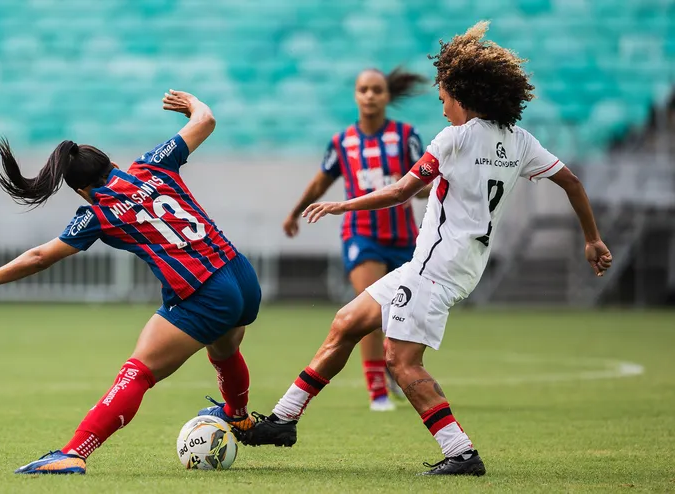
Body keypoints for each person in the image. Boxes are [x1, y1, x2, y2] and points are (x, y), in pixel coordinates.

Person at [239, 22, 613, 477]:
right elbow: (571, 182)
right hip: (453, 266)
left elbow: (400, 192)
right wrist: (591, 238)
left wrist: (343, 204)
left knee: (401, 361)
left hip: (435, 269)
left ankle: (461, 453)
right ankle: (284, 420)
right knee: (346, 323)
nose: (442, 111)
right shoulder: (521, 141)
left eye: (443, 101)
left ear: (461, 93)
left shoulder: (455, 139)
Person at [0, 90, 262, 474]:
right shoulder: (153, 164)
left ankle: (73, 453)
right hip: (242, 274)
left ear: (81, 190)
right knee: (224, 349)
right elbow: (206, 121)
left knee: (138, 371)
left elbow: (39, 257)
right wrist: (192, 104)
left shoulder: (97, 213)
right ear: (113, 162)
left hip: (203, 291)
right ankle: (239, 416)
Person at [282, 67, 430, 411]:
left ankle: (396, 372)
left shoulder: (407, 136)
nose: (370, 95)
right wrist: (294, 213)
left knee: (403, 313)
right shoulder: (342, 142)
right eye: (363, 89)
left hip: (404, 237)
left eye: (376, 90)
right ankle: (376, 389)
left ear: (387, 96)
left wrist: (418, 190)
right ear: (355, 95)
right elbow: (320, 183)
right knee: (371, 310)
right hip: (362, 234)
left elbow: (424, 185)